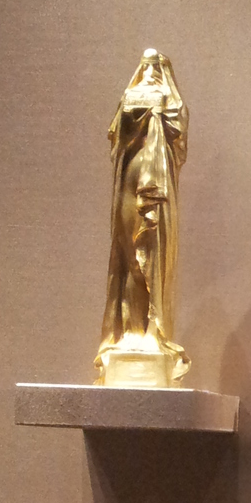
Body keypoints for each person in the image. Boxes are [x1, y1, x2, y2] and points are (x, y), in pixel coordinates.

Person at [95, 48, 189, 385]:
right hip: (130, 182)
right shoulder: (129, 100)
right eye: (145, 68)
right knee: (127, 256)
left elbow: (178, 138)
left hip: (156, 190)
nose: (150, 74)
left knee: (150, 260)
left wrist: (158, 110)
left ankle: (153, 330)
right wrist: (136, 108)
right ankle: (130, 331)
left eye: (157, 68)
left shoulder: (173, 106)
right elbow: (117, 138)